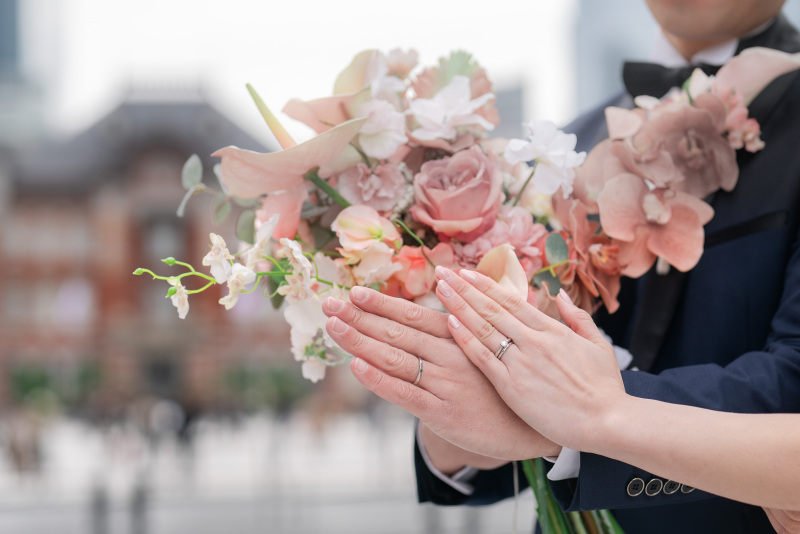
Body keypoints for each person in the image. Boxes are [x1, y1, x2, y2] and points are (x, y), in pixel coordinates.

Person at [322, 0, 800, 532]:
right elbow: (506, 438)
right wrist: (454, 404)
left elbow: (793, 383)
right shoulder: (574, 143)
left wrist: (573, 422)